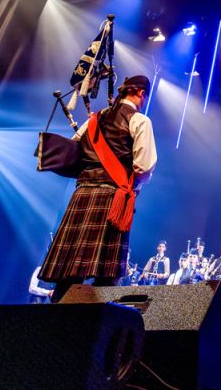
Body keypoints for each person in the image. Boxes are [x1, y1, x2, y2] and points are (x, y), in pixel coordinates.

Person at [39, 76, 158, 302]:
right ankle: (96, 323)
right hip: (112, 198)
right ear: (141, 93)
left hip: (82, 193)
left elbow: (74, 148)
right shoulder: (140, 121)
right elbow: (143, 166)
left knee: (69, 268)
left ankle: (55, 318)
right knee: (107, 273)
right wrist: (134, 187)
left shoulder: (94, 120)